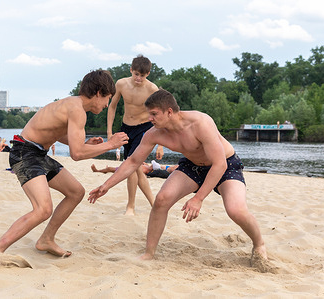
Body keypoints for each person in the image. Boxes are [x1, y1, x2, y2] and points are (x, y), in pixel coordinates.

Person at [89, 89, 268, 265]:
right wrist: (107, 185)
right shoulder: (154, 133)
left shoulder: (200, 123)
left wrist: (198, 198)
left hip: (226, 165)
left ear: (169, 111)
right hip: (192, 166)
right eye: (148, 114)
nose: (149, 119)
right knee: (161, 199)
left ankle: (259, 243)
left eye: (154, 114)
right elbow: (133, 161)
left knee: (236, 210)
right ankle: (149, 253)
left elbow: (219, 164)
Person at [0, 69, 129, 268]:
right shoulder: (77, 110)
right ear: (99, 92)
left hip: (37, 154)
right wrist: (110, 144)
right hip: (25, 153)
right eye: (108, 99)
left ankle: (46, 240)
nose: (106, 105)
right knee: (43, 209)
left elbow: (56, 133)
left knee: (76, 192)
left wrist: (88, 144)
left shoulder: (72, 104)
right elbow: (77, 155)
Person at [107, 55, 163, 215]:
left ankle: (130, 206)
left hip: (144, 129)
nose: (138, 78)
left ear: (148, 74)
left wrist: (161, 144)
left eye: (142, 75)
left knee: (131, 166)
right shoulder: (121, 84)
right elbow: (112, 107)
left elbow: (162, 115)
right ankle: (154, 204)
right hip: (126, 128)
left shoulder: (152, 89)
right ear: (131, 70)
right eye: (136, 74)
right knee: (136, 168)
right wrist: (110, 132)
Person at [91, 162, 177, 178]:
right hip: (129, 167)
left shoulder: (146, 171)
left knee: (110, 169)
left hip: (127, 169)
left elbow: (139, 173)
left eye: (152, 166)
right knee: (110, 169)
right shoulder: (147, 167)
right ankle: (99, 170)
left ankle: (97, 171)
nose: (150, 165)